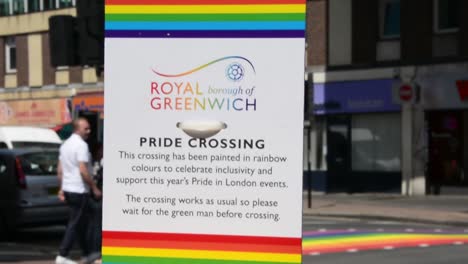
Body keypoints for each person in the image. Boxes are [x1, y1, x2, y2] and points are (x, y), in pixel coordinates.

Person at [56, 118, 102, 264]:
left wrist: (62, 188)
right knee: (76, 223)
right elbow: (83, 170)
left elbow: (60, 169)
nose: (89, 131)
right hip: (79, 189)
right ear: (77, 129)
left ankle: (89, 253)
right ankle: (62, 255)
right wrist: (94, 188)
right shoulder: (81, 145)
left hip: (70, 188)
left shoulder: (65, 145)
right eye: (86, 129)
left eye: (89, 128)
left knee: (85, 220)